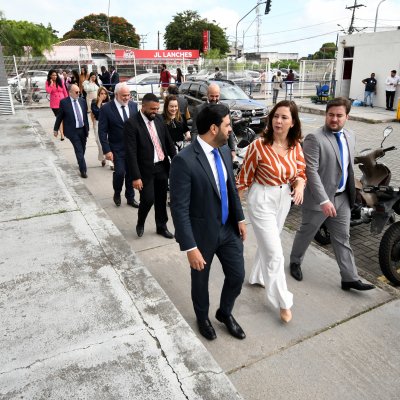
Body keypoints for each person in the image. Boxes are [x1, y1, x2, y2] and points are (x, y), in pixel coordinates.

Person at [169, 103, 247, 341]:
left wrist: (240, 218)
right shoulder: (184, 160)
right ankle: (202, 317)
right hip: (201, 235)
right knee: (200, 282)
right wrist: (190, 247)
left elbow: (231, 187)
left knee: (237, 275)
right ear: (214, 128)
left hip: (228, 229)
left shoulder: (223, 150)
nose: (231, 129)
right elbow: (179, 208)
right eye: (227, 125)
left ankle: (224, 313)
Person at [289, 97, 376, 292]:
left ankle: (349, 278)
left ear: (347, 116)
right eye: (331, 115)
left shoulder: (350, 136)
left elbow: (346, 166)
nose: (334, 119)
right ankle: (295, 261)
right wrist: (324, 200)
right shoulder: (314, 138)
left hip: (342, 198)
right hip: (319, 200)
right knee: (306, 232)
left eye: (339, 115)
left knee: (342, 238)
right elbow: (311, 171)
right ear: (325, 115)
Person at [237, 100, 306, 323]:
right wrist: (235, 214)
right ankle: (284, 302)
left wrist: (300, 185)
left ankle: (257, 276)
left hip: (283, 198)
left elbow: (300, 171)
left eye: (284, 117)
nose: (278, 121)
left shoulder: (295, 145)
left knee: (271, 242)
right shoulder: (258, 146)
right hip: (262, 199)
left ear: (293, 122)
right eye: (276, 116)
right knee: (275, 253)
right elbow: (243, 179)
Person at [123, 93, 176, 239]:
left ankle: (162, 226)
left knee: (161, 199)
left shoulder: (159, 119)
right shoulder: (132, 124)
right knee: (147, 199)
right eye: (152, 109)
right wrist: (135, 177)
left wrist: (176, 161)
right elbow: (131, 152)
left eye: (157, 108)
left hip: (161, 166)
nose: (155, 111)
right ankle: (141, 222)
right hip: (144, 170)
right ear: (143, 106)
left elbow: (168, 143)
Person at [99, 82, 139, 208]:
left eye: (128, 95)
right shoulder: (106, 108)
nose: (127, 98)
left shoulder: (133, 106)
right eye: (124, 95)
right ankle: (117, 192)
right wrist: (107, 150)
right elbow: (102, 131)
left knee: (131, 173)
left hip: (133, 148)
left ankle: (130, 197)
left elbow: (138, 127)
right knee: (120, 172)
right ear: (116, 95)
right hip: (116, 148)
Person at [53, 84, 89, 178]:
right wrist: (56, 129)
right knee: (78, 149)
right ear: (70, 92)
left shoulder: (82, 101)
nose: (78, 94)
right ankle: (83, 170)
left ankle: (80, 160)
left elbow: (85, 116)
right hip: (72, 131)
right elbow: (59, 117)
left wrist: (87, 128)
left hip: (83, 130)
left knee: (82, 149)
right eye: (76, 92)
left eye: (79, 92)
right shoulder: (64, 102)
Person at [190, 83, 235, 158]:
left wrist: (232, 149)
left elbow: (229, 129)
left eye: (216, 96)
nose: (214, 99)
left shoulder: (225, 107)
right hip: (206, 148)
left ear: (219, 95)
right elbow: (194, 131)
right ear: (207, 95)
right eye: (212, 96)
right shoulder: (199, 109)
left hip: (222, 147)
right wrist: (193, 150)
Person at [46, 69, 68, 141]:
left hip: (62, 102)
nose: (54, 76)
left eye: (55, 75)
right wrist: (51, 84)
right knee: (59, 119)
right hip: (54, 104)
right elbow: (48, 91)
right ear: (50, 76)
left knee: (63, 119)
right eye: (53, 75)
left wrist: (67, 100)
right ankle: (62, 134)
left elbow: (64, 91)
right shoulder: (48, 82)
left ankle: (62, 131)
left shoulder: (60, 81)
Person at [91, 86, 110, 167]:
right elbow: (97, 114)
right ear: (98, 94)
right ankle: (102, 158)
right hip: (98, 123)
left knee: (108, 142)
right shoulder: (94, 102)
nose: (103, 95)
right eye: (101, 93)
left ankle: (111, 162)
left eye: (105, 93)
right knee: (99, 142)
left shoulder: (109, 103)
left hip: (108, 124)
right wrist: (100, 102)